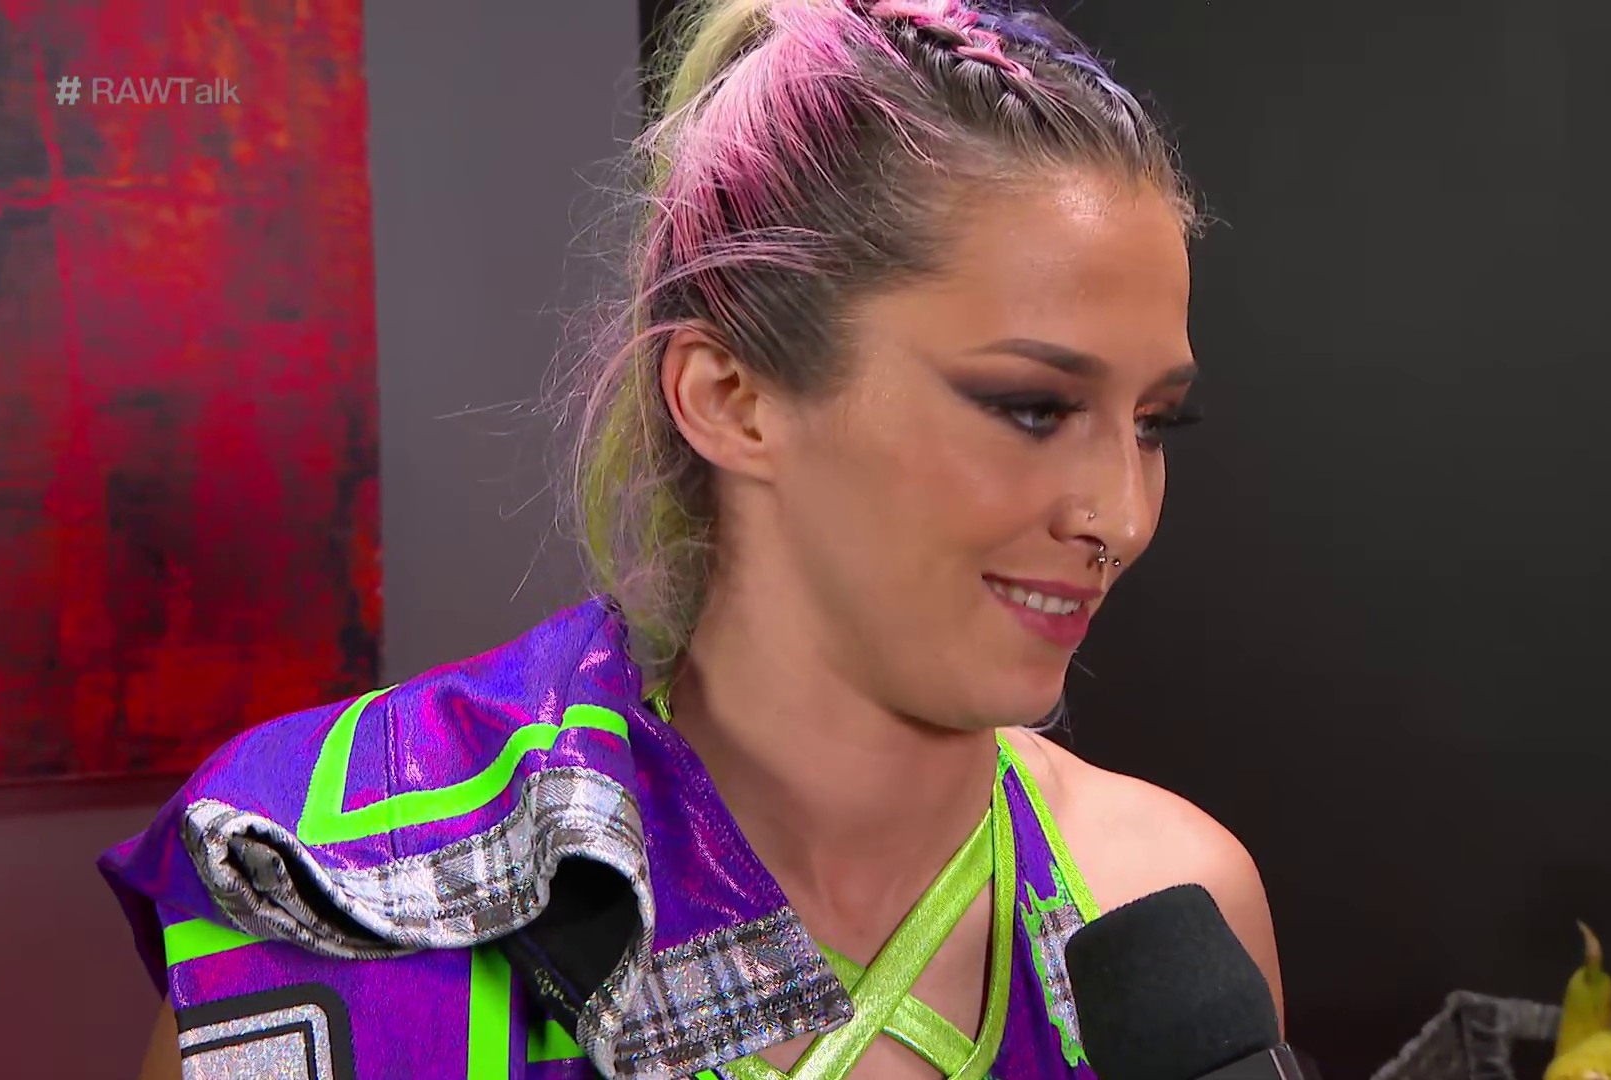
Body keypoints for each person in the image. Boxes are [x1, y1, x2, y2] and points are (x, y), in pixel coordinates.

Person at [109, 1, 1282, 1077]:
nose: (1120, 517)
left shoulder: (1165, 902)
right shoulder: (327, 901)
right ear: (731, 398)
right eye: (1032, 408)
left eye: (1153, 425)